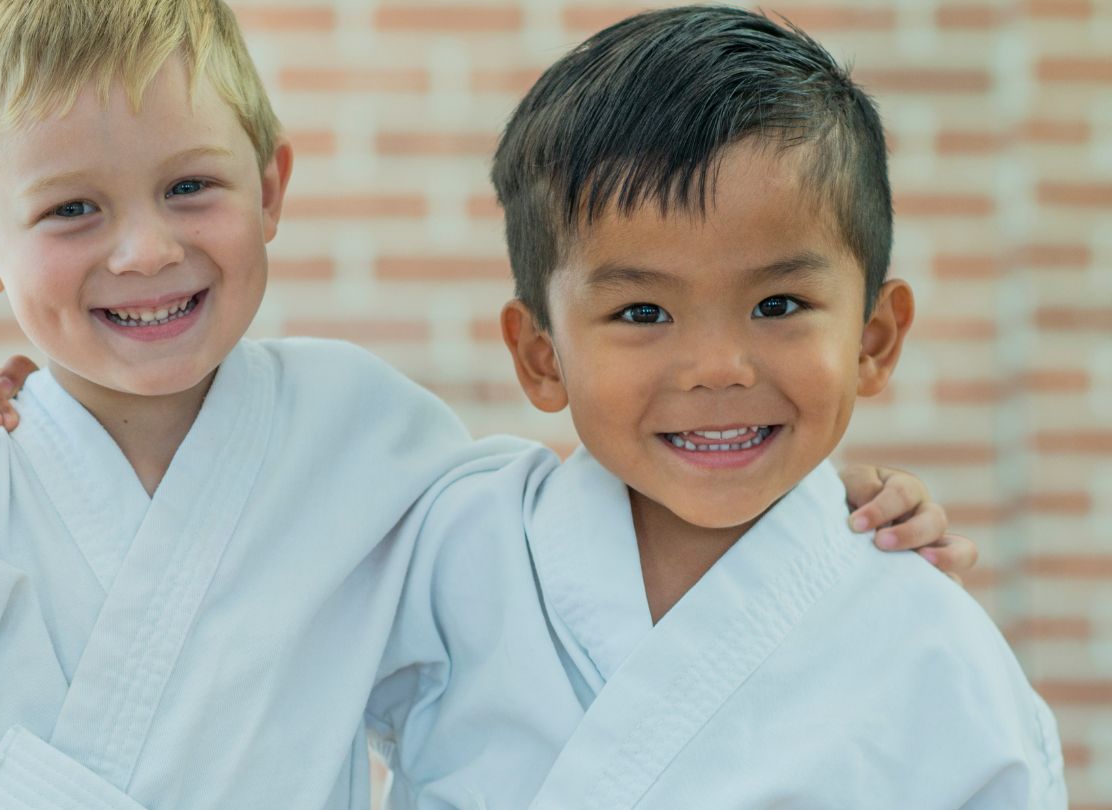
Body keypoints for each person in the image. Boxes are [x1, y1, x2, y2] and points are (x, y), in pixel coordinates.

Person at [0, 1, 971, 807]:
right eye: (71, 213)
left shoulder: (364, 431)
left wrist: (823, 508)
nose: (145, 248)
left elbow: (581, 527)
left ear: (271, 188)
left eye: (190, 186)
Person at [360, 7, 1065, 807]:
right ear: (542, 356)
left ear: (873, 339)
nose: (718, 369)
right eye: (642, 314)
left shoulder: (932, 644)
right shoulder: (455, 560)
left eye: (779, 304)